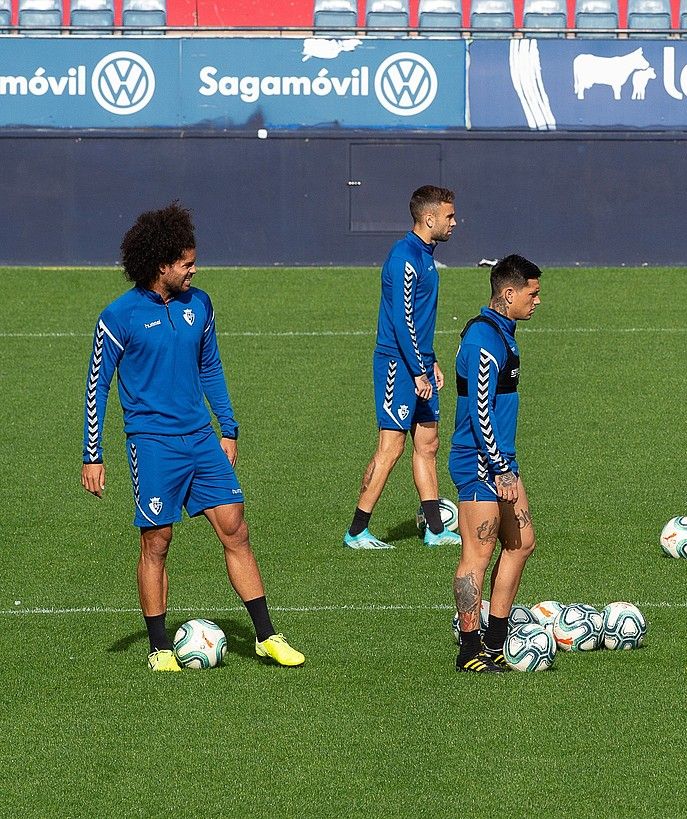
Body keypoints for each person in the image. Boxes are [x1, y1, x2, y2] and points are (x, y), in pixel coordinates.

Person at [81, 203, 305, 672]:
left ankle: (266, 636)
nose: (193, 270)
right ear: (161, 265)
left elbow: (211, 367)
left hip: (201, 440)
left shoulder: (199, 304)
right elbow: (97, 384)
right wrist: (92, 454)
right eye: (186, 263)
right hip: (153, 444)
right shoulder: (118, 317)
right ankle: (160, 647)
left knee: (236, 528)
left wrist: (229, 428)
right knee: (157, 542)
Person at [343, 185, 463, 550]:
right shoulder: (404, 258)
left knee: (428, 443)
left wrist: (432, 360)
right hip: (398, 365)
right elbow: (402, 320)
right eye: (449, 216)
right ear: (429, 219)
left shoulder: (425, 256)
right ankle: (357, 531)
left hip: (419, 362)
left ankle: (435, 528)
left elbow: (421, 321)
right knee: (391, 447)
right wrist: (416, 371)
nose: (454, 222)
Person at [449, 255, 542, 673]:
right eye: (532, 293)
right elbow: (480, 412)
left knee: (522, 544)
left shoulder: (504, 333)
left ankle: (496, 643)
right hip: (479, 462)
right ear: (509, 293)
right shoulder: (483, 340)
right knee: (478, 553)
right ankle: (469, 651)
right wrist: (499, 467)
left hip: (502, 459)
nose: (537, 301)